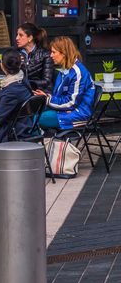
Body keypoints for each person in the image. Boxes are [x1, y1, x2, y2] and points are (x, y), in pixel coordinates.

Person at [41, 36, 98, 178]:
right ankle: (42, 157)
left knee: (37, 119)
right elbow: (60, 97)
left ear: (64, 53)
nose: (51, 55)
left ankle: (43, 159)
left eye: (54, 52)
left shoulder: (78, 72)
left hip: (78, 114)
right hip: (64, 110)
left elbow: (72, 102)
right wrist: (46, 98)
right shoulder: (64, 70)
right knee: (31, 114)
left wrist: (48, 100)